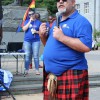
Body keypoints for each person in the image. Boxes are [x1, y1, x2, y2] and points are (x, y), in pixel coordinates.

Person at [39, 0, 92, 100]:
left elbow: (86, 46)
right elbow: (51, 46)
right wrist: (42, 36)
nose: (60, 2)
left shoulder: (81, 21)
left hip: (71, 72)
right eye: (57, 0)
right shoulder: (57, 21)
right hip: (52, 76)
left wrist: (62, 37)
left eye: (64, 0)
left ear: (73, 2)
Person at [22, 8, 41, 75]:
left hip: (36, 41)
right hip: (27, 41)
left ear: (35, 14)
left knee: (36, 55)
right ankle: (26, 69)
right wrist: (30, 21)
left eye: (32, 14)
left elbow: (41, 32)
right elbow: (24, 29)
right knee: (27, 55)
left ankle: (37, 70)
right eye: (29, 15)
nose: (31, 15)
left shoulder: (38, 22)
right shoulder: (26, 21)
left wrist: (36, 31)